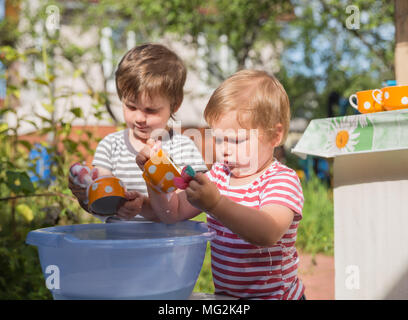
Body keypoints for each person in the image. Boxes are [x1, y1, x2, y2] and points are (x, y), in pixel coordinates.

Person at [136, 70, 306, 300]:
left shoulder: (281, 179)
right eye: (218, 138)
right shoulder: (218, 175)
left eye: (236, 140)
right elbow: (172, 212)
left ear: (275, 136)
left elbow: (268, 232)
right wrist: (154, 177)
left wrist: (216, 204)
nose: (224, 149)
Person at [69, 43, 207, 222]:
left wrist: (144, 206)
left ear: (175, 104)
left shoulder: (184, 148)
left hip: (168, 247)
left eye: (150, 110)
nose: (139, 118)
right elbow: (100, 204)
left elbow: (183, 208)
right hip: (120, 246)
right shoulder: (110, 146)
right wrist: (87, 193)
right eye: (131, 106)